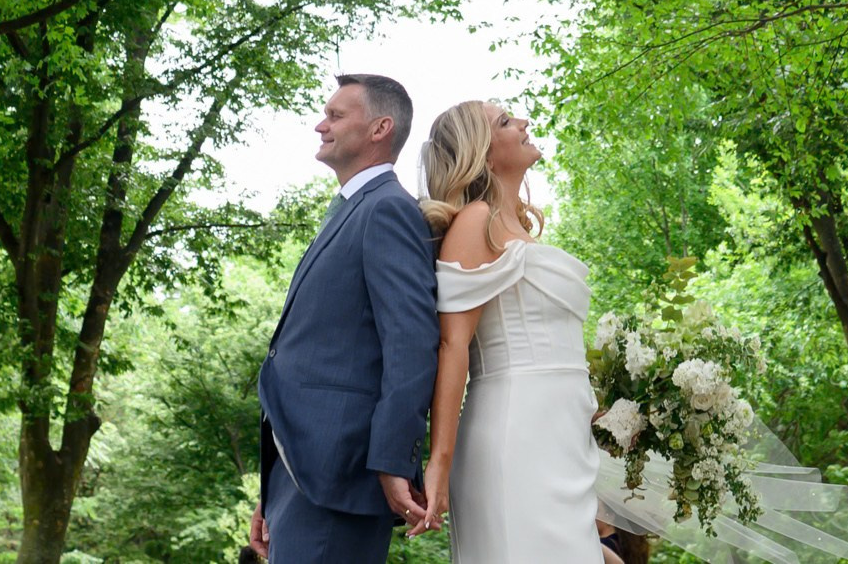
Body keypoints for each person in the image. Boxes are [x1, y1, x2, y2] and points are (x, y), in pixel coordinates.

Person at [251, 73, 438, 564]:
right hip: (300, 472)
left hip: (343, 472)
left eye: (335, 115)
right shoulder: (349, 211)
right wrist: (270, 493)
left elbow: (412, 345)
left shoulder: (389, 211)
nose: (320, 125)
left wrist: (394, 460)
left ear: (380, 128)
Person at [417, 100, 610, 564]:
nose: (524, 123)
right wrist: (438, 462)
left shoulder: (518, 228)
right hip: (515, 436)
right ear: (480, 152)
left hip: (564, 437)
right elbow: (453, 344)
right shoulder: (475, 221)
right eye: (506, 121)